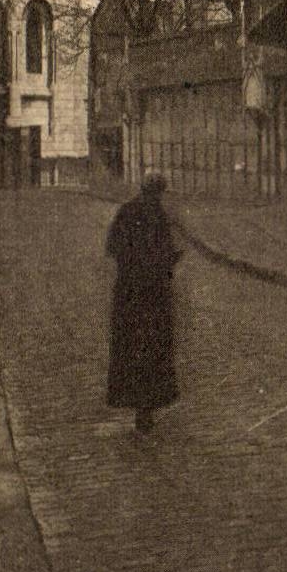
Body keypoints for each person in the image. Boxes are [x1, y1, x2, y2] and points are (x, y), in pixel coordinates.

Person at [105, 171, 182, 433]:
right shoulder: (157, 215)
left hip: (130, 293)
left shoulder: (128, 211)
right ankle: (146, 407)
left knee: (133, 347)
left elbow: (113, 246)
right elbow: (165, 252)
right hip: (152, 294)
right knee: (151, 348)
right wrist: (166, 260)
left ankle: (140, 406)